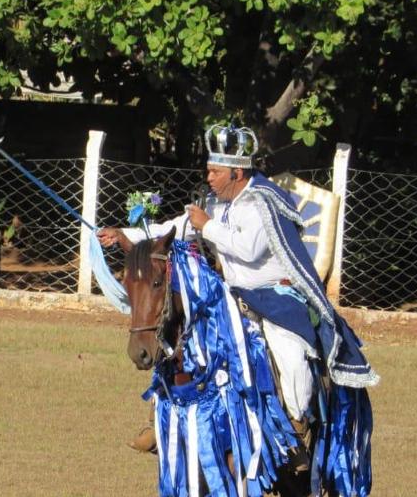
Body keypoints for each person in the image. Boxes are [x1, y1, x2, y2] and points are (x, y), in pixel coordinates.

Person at [99, 124, 378, 462]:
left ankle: (296, 427)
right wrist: (123, 233)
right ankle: (157, 419)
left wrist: (207, 226)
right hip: (230, 298)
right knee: (179, 341)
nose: (209, 178)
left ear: (237, 171)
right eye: (209, 171)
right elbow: (168, 230)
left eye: (215, 172)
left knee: (289, 353)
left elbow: (247, 249)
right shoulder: (212, 205)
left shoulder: (265, 203)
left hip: (276, 298)